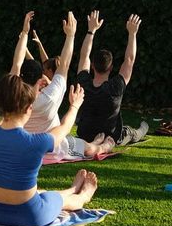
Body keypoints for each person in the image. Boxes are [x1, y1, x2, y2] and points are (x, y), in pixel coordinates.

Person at [0, 73, 98, 226]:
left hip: (0, 213)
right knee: (59, 200)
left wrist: (26, 97)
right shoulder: (35, 143)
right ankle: (83, 195)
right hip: (31, 216)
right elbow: (64, 128)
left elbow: (4, 117)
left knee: (43, 193)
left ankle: (72, 188)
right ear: (29, 108)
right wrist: (75, 105)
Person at [11, 11, 114, 159]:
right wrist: (70, 35)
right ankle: (102, 146)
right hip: (53, 145)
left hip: (26, 144)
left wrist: (25, 32)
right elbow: (64, 65)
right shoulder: (48, 97)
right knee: (90, 150)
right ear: (40, 80)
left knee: (77, 142)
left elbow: (17, 63)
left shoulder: (13, 92)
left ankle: (94, 142)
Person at [75, 11, 146, 146]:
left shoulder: (84, 83)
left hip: (85, 135)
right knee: (134, 132)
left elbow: (84, 56)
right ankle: (143, 127)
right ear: (111, 67)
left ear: (93, 66)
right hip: (111, 138)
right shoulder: (115, 87)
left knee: (131, 131)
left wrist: (91, 31)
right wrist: (132, 34)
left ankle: (143, 126)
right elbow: (129, 60)